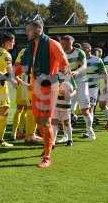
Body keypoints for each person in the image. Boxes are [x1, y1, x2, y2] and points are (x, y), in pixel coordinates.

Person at [16, 21, 69, 168]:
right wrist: (8, 75)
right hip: (36, 87)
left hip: (49, 87)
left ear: (38, 29)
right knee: (39, 123)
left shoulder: (52, 44)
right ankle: (49, 144)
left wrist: (64, 75)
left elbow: (64, 64)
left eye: (29, 30)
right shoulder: (31, 47)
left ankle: (47, 157)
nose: (27, 33)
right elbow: (25, 66)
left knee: (45, 122)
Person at [60, 35, 95, 140]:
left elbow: (84, 66)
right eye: (62, 43)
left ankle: (90, 130)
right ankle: (66, 135)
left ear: (71, 42)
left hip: (81, 82)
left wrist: (76, 71)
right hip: (68, 83)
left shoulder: (79, 52)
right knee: (65, 110)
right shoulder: (60, 53)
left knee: (84, 109)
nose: (63, 45)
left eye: (66, 43)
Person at [12, 48, 40, 143]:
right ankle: (29, 135)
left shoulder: (25, 53)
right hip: (31, 88)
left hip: (32, 88)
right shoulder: (29, 62)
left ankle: (26, 133)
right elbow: (15, 71)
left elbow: (15, 69)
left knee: (27, 110)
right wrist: (26, 84)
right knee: (30, 110)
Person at [0, 33, 16, 146]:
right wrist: (13, 80)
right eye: (12, 41)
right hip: (1, 87)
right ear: (5, 42)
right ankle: (0, 140)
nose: (13, 43)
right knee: (4, 112)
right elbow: (9, 71)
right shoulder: (6, 55)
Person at [82, 43, 108, 128]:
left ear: (89, 49)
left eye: (85, 48)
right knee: (84, 109)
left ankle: (88, 129)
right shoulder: (80, 60)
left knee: (91, 108)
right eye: (83, 49)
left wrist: (106, 85)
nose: (83, 50)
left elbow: (104, 73)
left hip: (93, 87)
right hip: (82, 87)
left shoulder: (97, 60)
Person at [53, 75, 76, 146]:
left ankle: (70, 139)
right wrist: (58, 90)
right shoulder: (55, 75)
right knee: (55, 123)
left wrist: (69, 95)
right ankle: (53, 141)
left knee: (67, 123)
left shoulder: (70, 76)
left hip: (66, 106)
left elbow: (75, 89)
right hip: (56, 105)